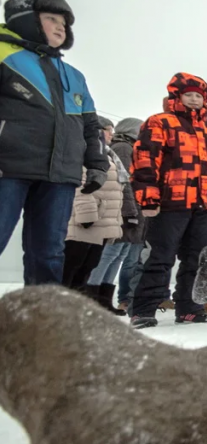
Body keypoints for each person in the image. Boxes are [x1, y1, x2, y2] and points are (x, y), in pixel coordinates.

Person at [0, 0, 109, 285]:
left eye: (64, 23)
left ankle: (43, 321)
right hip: (8, 167)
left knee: (49, 253)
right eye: (51, 19)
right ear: (27, 19)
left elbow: (90, 125)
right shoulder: (4, 55)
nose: (60, 27)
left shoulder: (74, 75)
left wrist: (98, 164)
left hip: (60, 174)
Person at [128, 73, 207, 329]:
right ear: (176, 97)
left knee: (198, 260)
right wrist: (147, 197)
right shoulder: (159, 123)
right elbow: (145, 160)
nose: (193, 100)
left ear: (205, 100)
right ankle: (143, 309)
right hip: (170, 203)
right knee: (160, 257)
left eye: (198, 96)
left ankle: (190, 308)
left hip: (206, 205)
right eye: (188, 95)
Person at [62, 116, 128, 309]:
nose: (112, 134)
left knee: (87, 268)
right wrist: (87, 214)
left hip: (100, 223)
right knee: (71, 268)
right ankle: (62, 309)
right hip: (84, 222)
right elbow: (81, 184)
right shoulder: (84, 151)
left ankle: (77, 310)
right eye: (108, 130)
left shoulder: (107, 154)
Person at [82, 117, 140, 315]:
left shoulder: (121, 148)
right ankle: (92, 298)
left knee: (119, 254)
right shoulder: (123, 148)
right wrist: (130, 210)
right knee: (110, 254)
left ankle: (103, 299)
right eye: (108, 130)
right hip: (117, 208)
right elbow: (125, 181)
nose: (111, 134)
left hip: (125, 207)